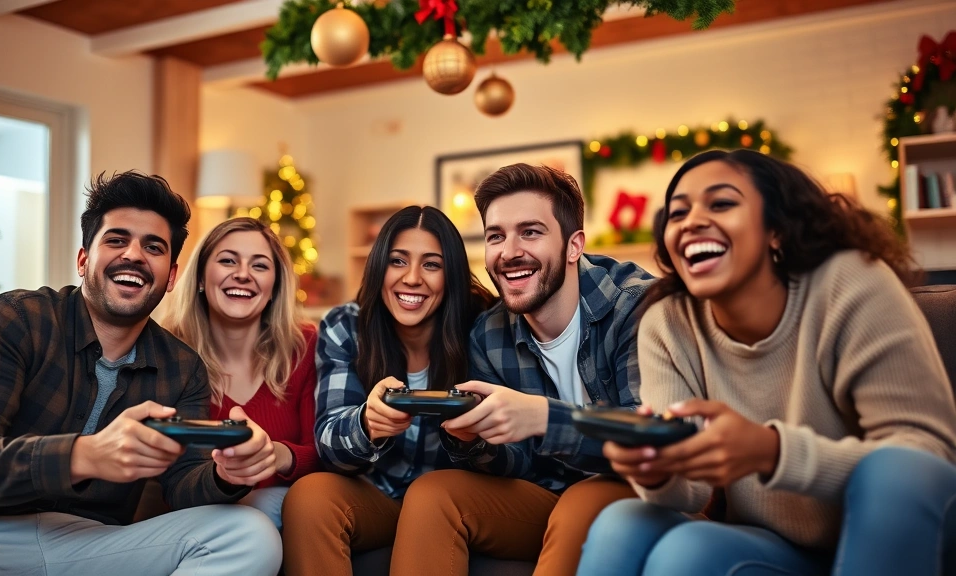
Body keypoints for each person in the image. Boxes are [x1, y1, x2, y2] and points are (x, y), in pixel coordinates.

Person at [579, 149, 956, 576]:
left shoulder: (850, 281)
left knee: (896, 471)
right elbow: (688, 493)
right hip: (780, 547)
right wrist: (656, 472)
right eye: (677, 213)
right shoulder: (667, 322)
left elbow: (925, 459)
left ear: (775, 229)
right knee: (633, 525)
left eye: (721, 203)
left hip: (904, 531)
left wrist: (772, 453)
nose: (691, 222)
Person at [0, 172, 281, 576]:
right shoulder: (13, 320)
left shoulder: (183, 369)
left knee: (249, 533)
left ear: (170, 277)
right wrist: (83, 456)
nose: (134, 255)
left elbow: (185, 485)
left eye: (154, 247)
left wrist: (225, 474)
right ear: (83, 259)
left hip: (90, 545)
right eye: (116, 240)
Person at [393, 163, 656, 576]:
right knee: (432, 493)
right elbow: (518, 464)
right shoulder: (489, 332)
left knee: (582, 500)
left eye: (530, 232)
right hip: (546, 496)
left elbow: (652, 434)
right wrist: (474, 440)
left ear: (574, 246)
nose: (509, 251)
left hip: (638, 491)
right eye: (496, 236)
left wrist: (542, 418)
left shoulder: (638, 307)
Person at [280, 205, 496, 576]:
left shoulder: (484, 326)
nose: (412, 278)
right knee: (309, 497)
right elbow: (328, 443)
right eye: (398, 261)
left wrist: (471, 439)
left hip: (455, 498)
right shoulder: (346, 325)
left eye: (431, 264)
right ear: (379, 267)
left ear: (452, 276)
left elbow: (512, 454)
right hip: (377, 495)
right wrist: (366, 424)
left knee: (432, 498)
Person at [162, 217, 321, 531]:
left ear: (275, 286)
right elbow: (169, 477)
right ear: (200, 278)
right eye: (227, 261)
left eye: (260, 266)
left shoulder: (304, 345)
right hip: (199, 520)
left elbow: (324, 453)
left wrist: (274, 455)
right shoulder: (168, 352)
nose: (243, 274)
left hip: (289, 514)